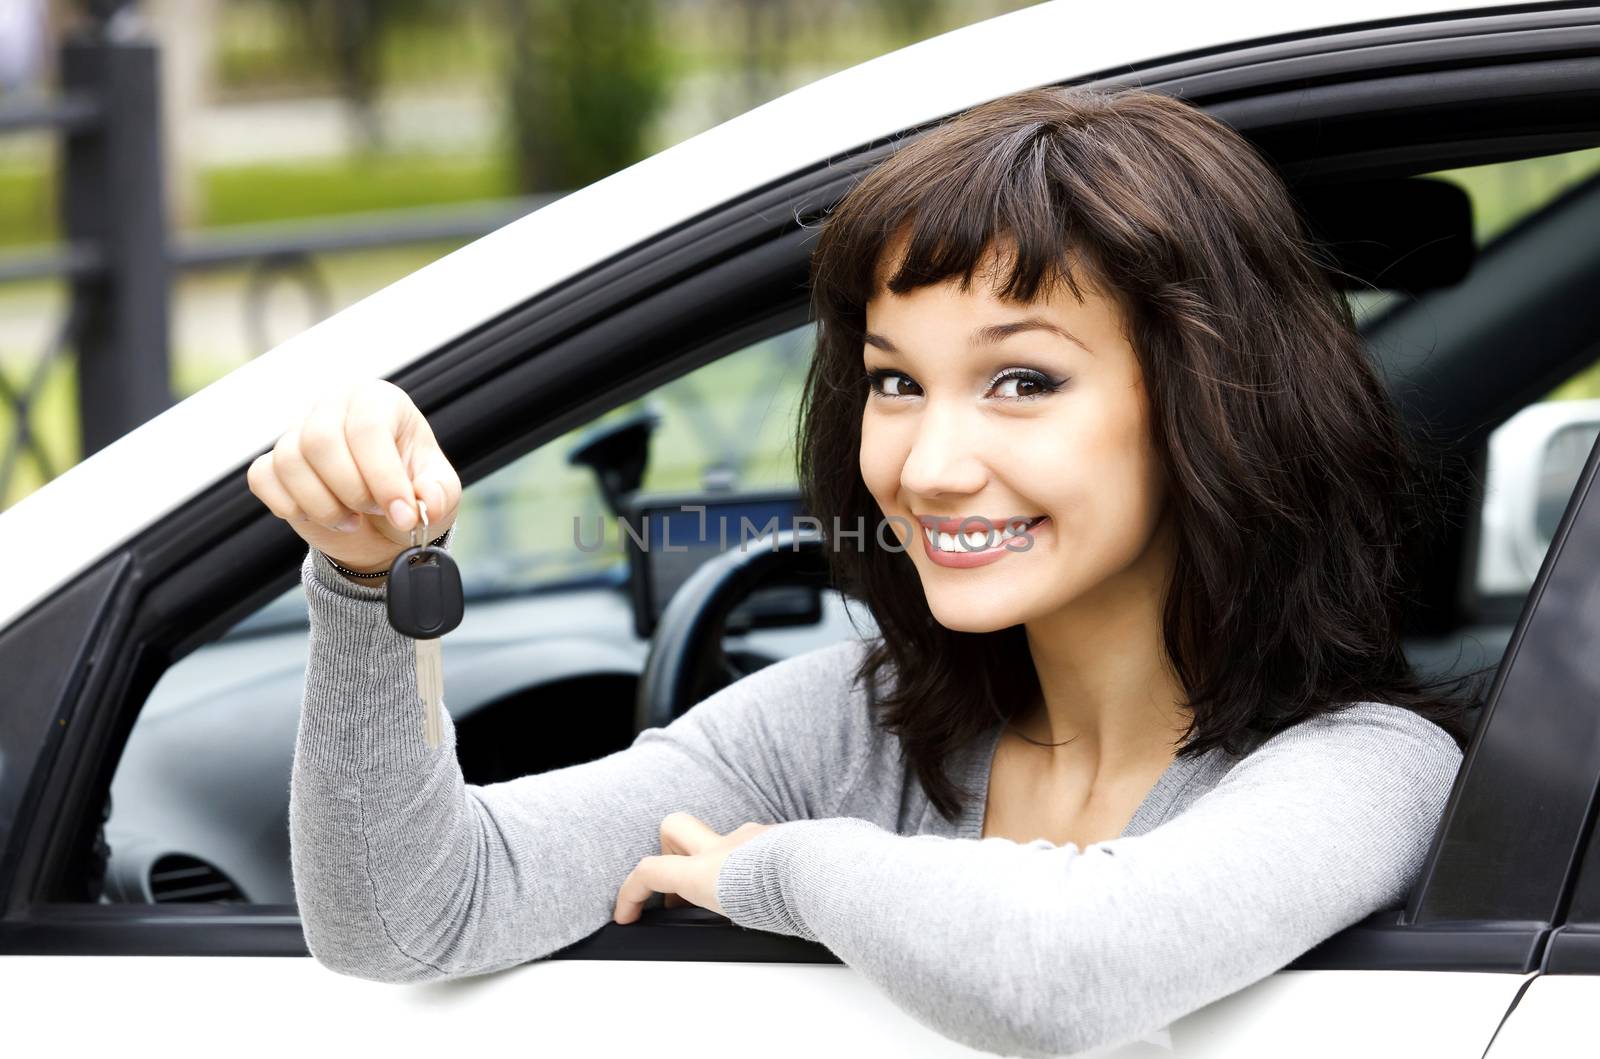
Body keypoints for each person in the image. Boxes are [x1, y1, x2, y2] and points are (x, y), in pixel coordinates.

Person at [247, 84, 1480, 1057]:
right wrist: (367, 583)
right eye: (896, 381)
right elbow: (411, 916)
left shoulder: (1369, 768)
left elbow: (1059, 977)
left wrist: (770, 868)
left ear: (1208, 407)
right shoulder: (849, 727)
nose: (930, 466)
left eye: (1022, 381)